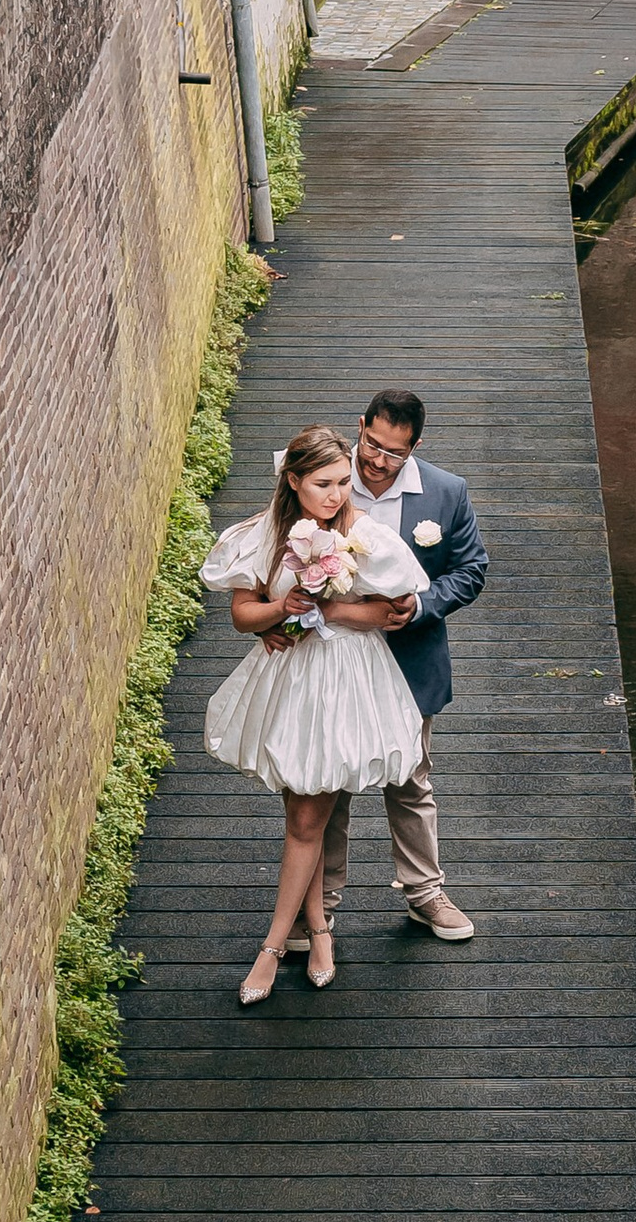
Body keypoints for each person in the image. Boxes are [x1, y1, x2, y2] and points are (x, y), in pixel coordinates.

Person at [200, 425, 433, 1005]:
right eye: (324, 484)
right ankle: (321, 932)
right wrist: (283, 608)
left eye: (343, 482)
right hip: (289, 685)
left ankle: (273, 949)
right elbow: (242, 615)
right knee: (302, 813)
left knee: (307, 821)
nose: (337, 495)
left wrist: (328, 606)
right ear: (293, 481)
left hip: (347, 683)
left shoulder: (367, 538)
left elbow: (392, 611)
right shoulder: (263, 535)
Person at [287, 387, 485, 950]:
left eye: (394, 453)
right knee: (332, 780)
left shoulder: (447, 493)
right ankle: (317, 904)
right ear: (361, 426)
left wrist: (421, 605)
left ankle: (425, 894)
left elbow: (471, 571)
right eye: (371, 444)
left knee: (410, 778)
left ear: (415, 446)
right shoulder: (324, 479)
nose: (376, 461)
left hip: (407, 658)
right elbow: (283, 550)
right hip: (333, 658)